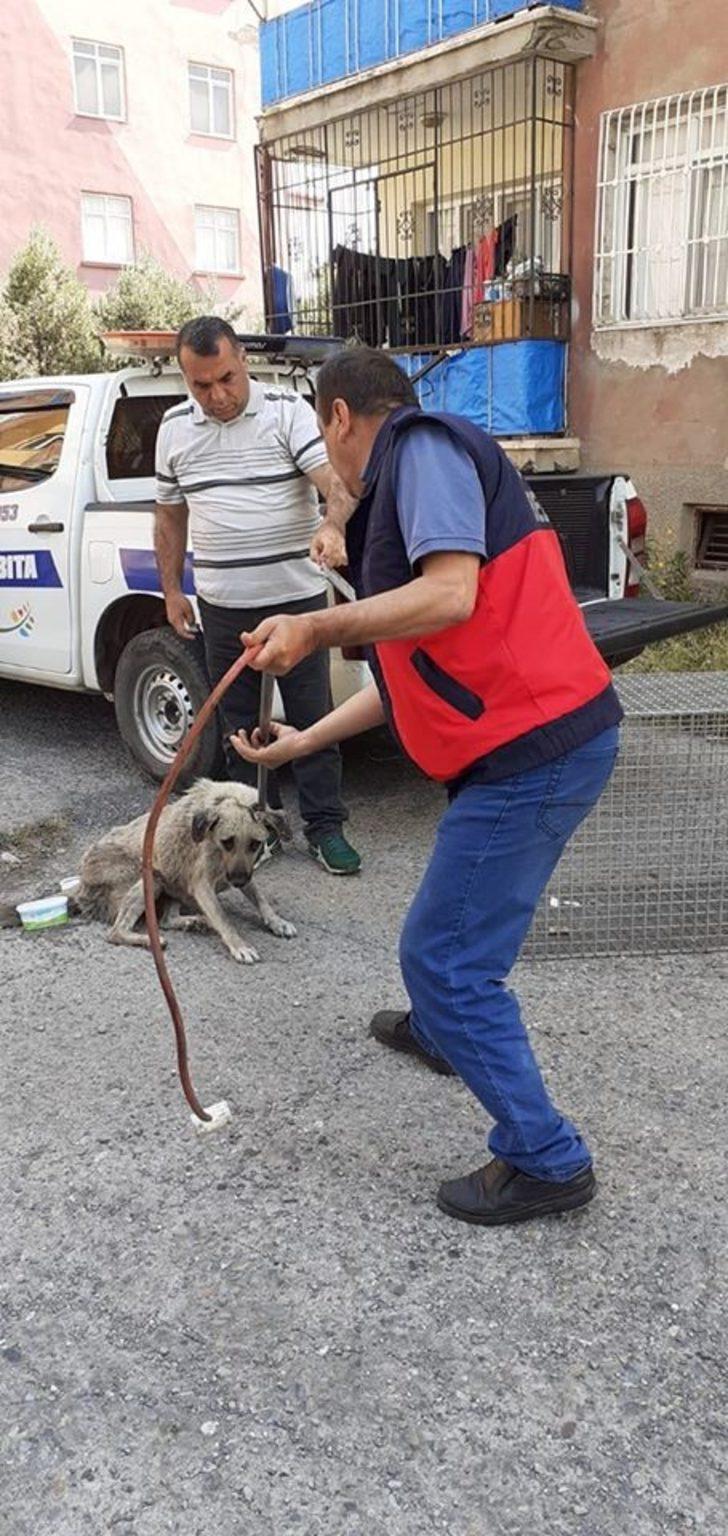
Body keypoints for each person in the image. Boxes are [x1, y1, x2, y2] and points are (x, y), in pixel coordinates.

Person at [230, 346, 623, 1228]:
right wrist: (301, 743)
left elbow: (450, 597)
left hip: (536, 750)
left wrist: (313, 624)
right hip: (526, 746)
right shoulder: (406, 493)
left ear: (338, 418)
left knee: (442, 957)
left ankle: (545, 1156)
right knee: (456, 933)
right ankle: (443, 1029)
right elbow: (407, 676)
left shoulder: (424, 448)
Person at [154, 316, 361, 876]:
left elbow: (336, 487)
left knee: (312, 719)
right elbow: (170, 518)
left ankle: (324, 828)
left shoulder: (286, 411)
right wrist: (172, 590)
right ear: (184, 379)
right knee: (237, 727)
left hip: (296, 604)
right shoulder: (173, 429)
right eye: (201, 385)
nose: (217, 395)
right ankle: (247, 836)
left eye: (226, 378)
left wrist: (333, 525)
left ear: (242, 359)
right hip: (222, 607)